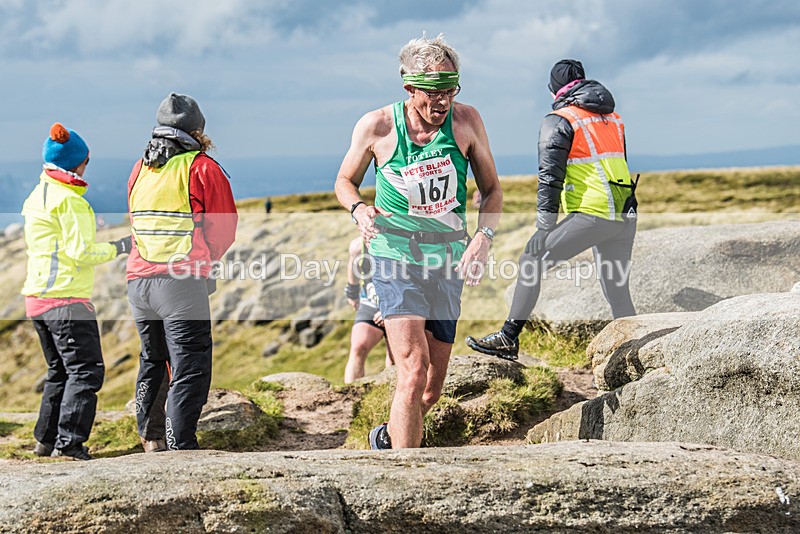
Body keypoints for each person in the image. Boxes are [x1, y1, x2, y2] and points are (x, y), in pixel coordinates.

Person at [334, 34, 502, 449]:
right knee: (412, 369)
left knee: (431, 388)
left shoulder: (467, 121)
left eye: (450, 90)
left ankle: (386, 441)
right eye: (432, 93)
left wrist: (483, 237)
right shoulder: (377, 126)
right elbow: (344, 182)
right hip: (394, 256)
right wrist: (358, 209)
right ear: (409, 88)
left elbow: (493, 190)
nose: (442, 101)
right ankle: (404, 480)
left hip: (446, 260)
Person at [467, 59, 637, 361]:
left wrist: (544, 228)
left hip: (593, 214)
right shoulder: (613, 117)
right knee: (616, 287)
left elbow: (550, 177)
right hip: (625, 212)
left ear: (554, 90)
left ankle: (508, 337)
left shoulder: (559, 120)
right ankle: (635, 350)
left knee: (531, 259)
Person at [127, 93, 238, 451]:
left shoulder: (140, 169)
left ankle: (152, 438)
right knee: (190, 366)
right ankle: (181, 446)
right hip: (179, 283)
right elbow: (223, 230)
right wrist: (205, 260)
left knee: (153, 360)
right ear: (198, 131)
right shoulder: (202, 167)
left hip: (138, 282)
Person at [22, 123, 132, 461]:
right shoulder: (71, 202)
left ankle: (45, 440)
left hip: (37, 300)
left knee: (59, 371)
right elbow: (81, 253)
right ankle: (69, 445)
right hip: (66, 300)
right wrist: (120, 246)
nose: (88, 165)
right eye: (86, 159)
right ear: (77, 163)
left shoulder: (37, 195)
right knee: (86, 371)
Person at [343, 237, 393, 384]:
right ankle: (351, 396)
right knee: (359, 347)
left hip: (399, 305)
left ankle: (391, 399)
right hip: (370, 302)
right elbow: (354, 262)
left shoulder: (399, 241)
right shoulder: (358, 245)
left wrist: (388, 310)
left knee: (394, 359)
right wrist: (352, 291)